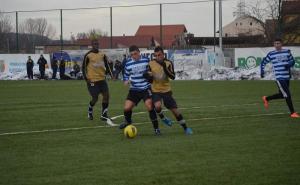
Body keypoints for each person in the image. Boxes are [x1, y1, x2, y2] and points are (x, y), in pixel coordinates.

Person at [146, 46, 193, 134]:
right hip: (155, 90)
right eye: (155, 55)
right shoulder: (151, 63)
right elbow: (150, 79)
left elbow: (173, 76)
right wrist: (147, 76)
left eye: (159, 55)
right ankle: (163, 118)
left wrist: (164, 67)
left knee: (175, 112)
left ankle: (186, 128)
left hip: (166, 90)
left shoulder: (168, 63)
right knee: (157, 106)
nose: (157, 57)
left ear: (163, 54)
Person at [119, 45, 161, 135]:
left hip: (146, 88)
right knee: (127, 108)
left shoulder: (146, 60)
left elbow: (152, 71)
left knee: (149, 106)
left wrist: (150, 74)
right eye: (132, 55)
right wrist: (126, 81)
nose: (134, 56)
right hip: (134, 89)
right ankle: (128, 122)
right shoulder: (128, 63)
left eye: (135, 54)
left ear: (139, 52)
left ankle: (156, 129)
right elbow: (125, 76)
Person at [260, 38, 299, 118]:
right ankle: (293, 113)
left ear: (281, 44)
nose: (277, 45)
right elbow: (263, 62)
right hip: (279, 77)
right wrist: (262, 71)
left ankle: (266, 98)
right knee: (287, 94)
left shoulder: (287, 52)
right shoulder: (271, 54)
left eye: (278, 43)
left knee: (282, 95)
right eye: (275, 43)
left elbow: (293, 61)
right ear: (274, 45)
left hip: (286, 76)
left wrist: (289, 65)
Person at [82, 40, 114, 121]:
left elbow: (107, 65)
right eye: (95, 44)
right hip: (92, 80)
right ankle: (90, 110)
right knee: (95, 98)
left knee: (106, 96)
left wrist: (112, 75)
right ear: (92, 45)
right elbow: (83, 68)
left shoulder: (102, 54)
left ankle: (104, 114)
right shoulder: (88, 55)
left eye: (97, 44)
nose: (96, 45)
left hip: (102, 79)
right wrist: (86, 79)